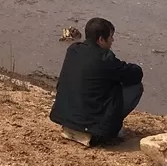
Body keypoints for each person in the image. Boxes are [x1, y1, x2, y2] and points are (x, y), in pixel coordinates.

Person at [50, 17, 144, 147]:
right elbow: (136, 74)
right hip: (92, 128)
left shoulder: (73, 50)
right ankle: (106, 130)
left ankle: (76, 126)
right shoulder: (105, 59)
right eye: (110, 37)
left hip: (64, 118)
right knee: (135, 87)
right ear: (101, 39)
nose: (112, 40)